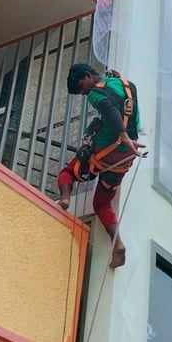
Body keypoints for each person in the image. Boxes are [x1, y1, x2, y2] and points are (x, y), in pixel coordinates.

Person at [57, 63, 147, 268]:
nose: (83, 93)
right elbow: (122, 105)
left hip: (107, 150)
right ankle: (118, 243)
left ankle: (64, 198)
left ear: (88, 76)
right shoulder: (126, 84)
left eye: (82, 87)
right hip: (124, 159)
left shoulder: (95, 94)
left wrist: (122, 136)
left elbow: (109, 108)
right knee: (101, 204)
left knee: (68, 172)